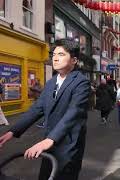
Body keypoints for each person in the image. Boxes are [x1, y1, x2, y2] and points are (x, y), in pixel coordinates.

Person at [0, 39, 90, 180]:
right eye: (53, 54)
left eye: (61, 54)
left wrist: (50, 139)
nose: (55, 58)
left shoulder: (81, 82)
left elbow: (74, 112)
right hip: (49, 143)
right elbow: (36, 109)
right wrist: (13, 131)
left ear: (74, 60)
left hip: (68, 145)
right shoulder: (51, 82)